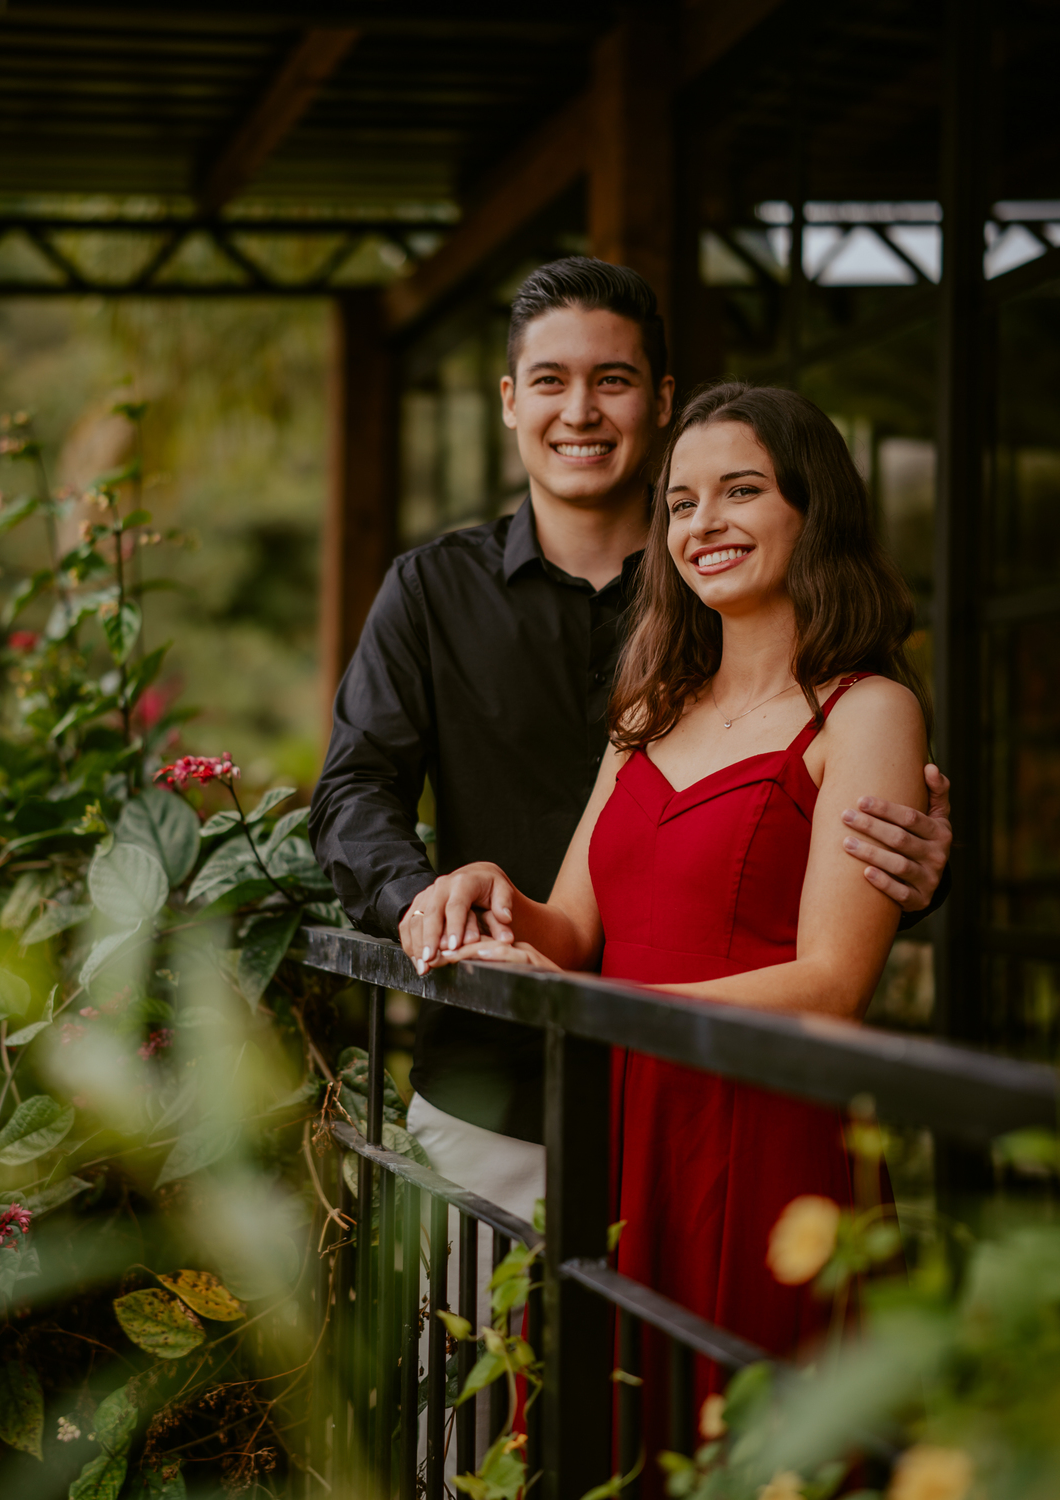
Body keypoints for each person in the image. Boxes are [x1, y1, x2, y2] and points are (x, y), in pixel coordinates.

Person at [310, 257, 952, 1230]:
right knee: (491, 1378)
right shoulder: (434, 592)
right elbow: (355, 790)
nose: (580, 411)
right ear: (510, 402)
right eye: (550, 382)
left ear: (658, 401)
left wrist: (916, 864)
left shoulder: (739, 618)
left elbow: (813, 888)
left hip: (713, 1094)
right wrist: (436, 905)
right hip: (497, 1077)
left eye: (611, 381)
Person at [408, 380, 934, 1480]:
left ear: (811, 510)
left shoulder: (867, 710)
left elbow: (836, 982)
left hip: (771, 1133)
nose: (705, 526)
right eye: (683, 504)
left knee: (752, 1442)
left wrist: (599, 1014)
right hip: (623, 1121)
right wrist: (488, 888)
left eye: (741, 491)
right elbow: (572, 928)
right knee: (609, 1435)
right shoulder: (649, 708)